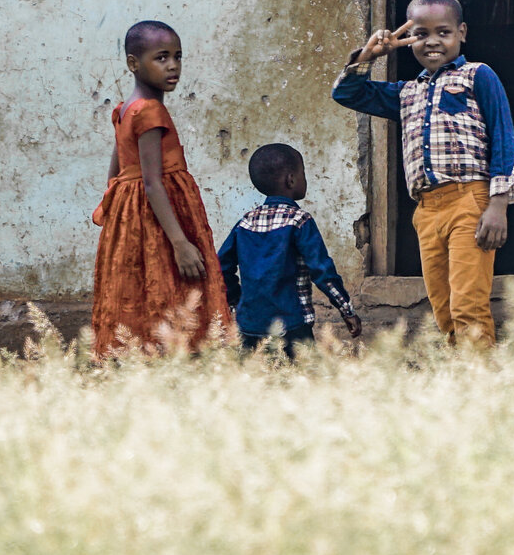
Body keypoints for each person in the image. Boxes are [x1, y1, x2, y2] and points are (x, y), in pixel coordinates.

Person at [333, 0, 514, 347]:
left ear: (461, 32)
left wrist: (498, 205)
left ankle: (481, 384)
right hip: (427, 211)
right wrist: (370, 55)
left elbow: (504, 139)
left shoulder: (478, 76)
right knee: (444, 309)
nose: (432, 42)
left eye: (443, 32)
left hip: (471, 201)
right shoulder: (406, 94)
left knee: (468, 303)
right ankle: (459, 381)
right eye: (421, 34)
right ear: (408, 39)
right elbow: (347, 94)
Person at [90, 20, 233, 355]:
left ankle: (138, 351)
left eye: (178, 57)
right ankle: (173, 352)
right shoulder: (150, 110)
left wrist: (120, 213)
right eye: (162, 57)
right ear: (133, 64)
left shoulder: (125, 110)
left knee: (139, 285)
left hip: (135, 213)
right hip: (161, 214)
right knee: (172, 283)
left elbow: (118, 172)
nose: (173, 66)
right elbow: (153, 183)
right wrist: (180, 242)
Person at [217, 143, 363, 356]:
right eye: (303, 173)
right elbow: (323, 272)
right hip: (293, 325)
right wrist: (346, 310)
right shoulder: (300, 221)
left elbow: (220, 267)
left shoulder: (245, 222)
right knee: (302, 378)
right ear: (291, 179)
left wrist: (236, 300)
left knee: (254, 378)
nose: (305, 179)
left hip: (249, 325)